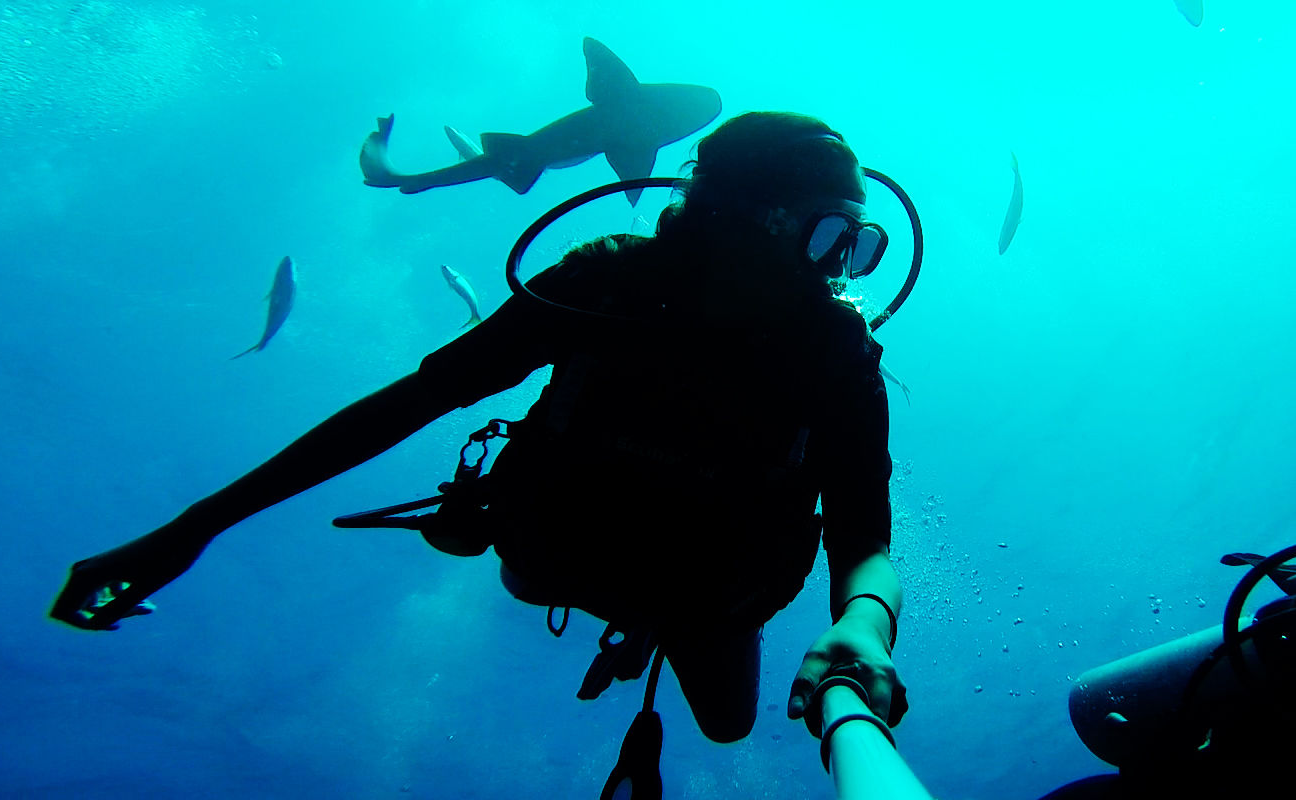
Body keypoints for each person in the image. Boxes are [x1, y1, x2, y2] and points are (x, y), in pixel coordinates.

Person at [51, 111, 908, 746]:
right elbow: (412, 401)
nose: (839, 272)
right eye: (827, 236)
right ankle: (510, 527)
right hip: (560, 546)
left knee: (728, 728)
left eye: (857, 248)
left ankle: (625, 604)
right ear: (731, 218)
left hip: (710, 591)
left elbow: (865, 531)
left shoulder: (835, 354)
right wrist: (193, 527)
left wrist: (860, 626)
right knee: (532, 576)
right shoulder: (606, 284)